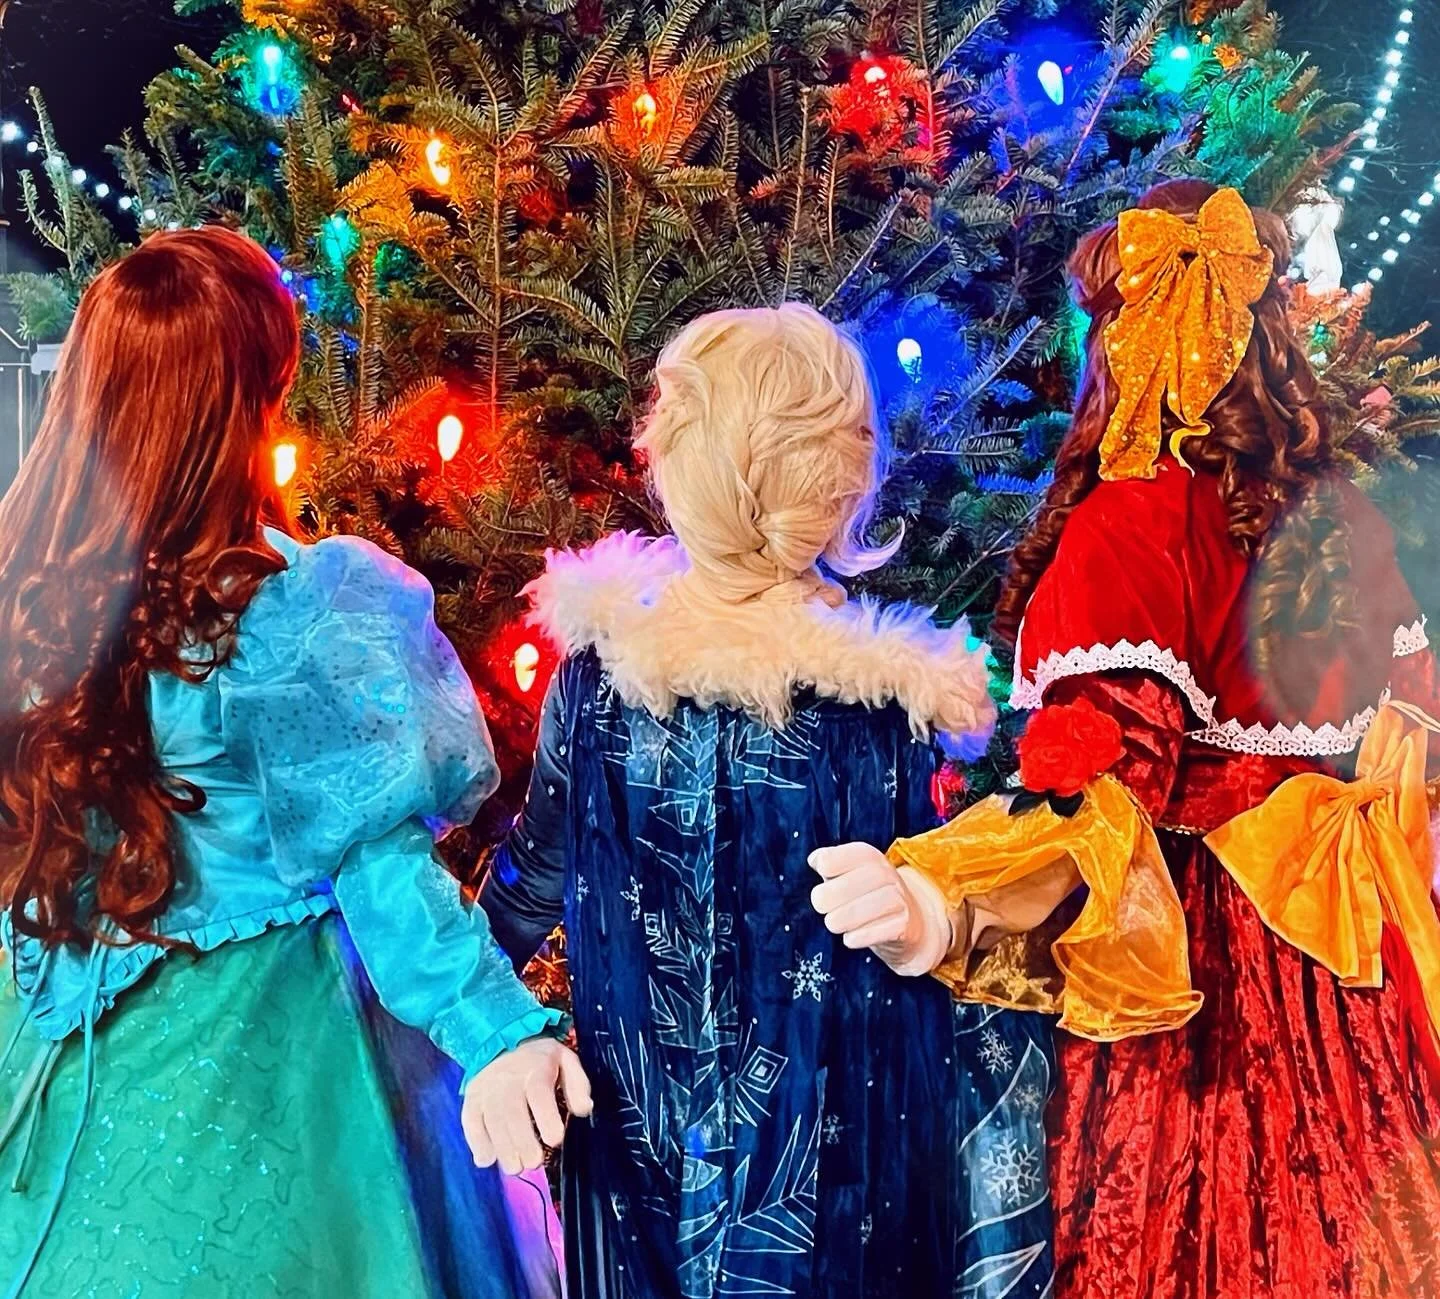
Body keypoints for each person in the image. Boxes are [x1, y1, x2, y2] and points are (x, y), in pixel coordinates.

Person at [813, 180, 1440, 1298]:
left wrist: (944, 896)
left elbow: (1095, 793)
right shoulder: (1342, 512)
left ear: (1130, 332)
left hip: (1197, 971)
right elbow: (1413, 741)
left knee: (1190, 1235)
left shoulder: (1131, 527)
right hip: (1358, 951)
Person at [0, 226, 590, 1297]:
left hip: (57, 1042)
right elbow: (378, 865)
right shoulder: (300, 609)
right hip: (270, 1071)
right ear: (247, 402)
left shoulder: (29, 592)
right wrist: (498, 1030)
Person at [479, 303, 1055, 1299]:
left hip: (664, 1151)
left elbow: (527, 883)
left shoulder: (607, 675)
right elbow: (973, 919)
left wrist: (474, 1017)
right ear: (842, 483)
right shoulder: (883, 702)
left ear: (673, 458)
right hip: (827, 1166)